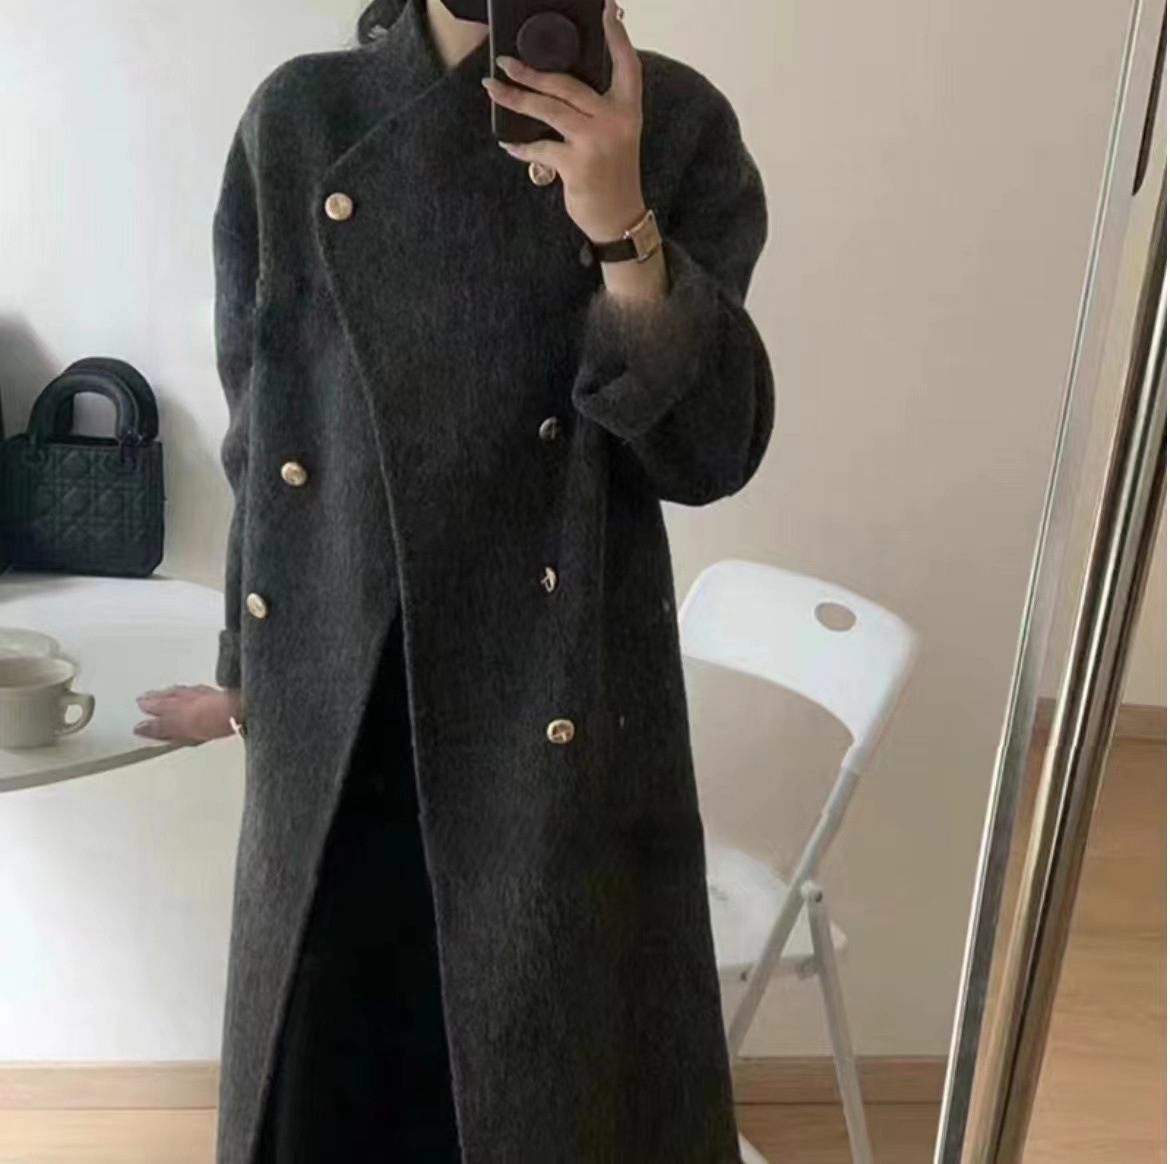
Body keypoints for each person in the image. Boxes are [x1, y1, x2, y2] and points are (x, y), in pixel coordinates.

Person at [137, 0, 775, 1160]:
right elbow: (264, 434)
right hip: (341, 699)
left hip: (553, 699)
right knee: (328, 1090)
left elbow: (708, 455)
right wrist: (248, 665)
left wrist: (622, 228)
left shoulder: (672, 124)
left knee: (534, 1095)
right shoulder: (302, 117)